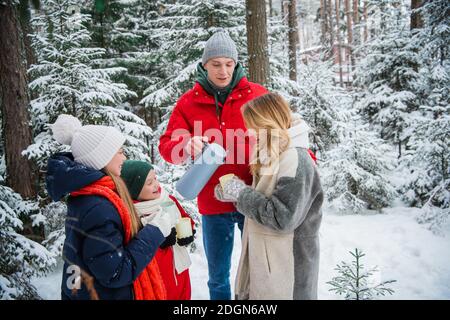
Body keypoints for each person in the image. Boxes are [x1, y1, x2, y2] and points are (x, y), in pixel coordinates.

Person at [158, 29, 268, 300]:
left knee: (258, 270)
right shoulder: (188, 103)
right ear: (204, 65)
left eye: (229, 64)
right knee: (218, 276)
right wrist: (185, 145)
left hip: (251, 198)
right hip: (213, 204)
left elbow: (286, 133)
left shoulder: (257, 95)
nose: (223, 70)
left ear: (236, 64)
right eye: (216, 64)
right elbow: (166, 146)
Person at [46, 114, 173, 300]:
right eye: (119, 151)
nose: (125, 156)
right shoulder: (98, 206)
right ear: (102, 157)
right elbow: (116, 272)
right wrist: (154, 231)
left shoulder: (92, 196)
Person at [215, 93, 324, 299]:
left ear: (267, 122)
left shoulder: (296, 159)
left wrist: (239, 192)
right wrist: (234, 192)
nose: (249, 132)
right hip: (269, 260)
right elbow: (265, 197)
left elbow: (281, 217)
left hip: (288, 265)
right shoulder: (274, 151)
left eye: (253, 125)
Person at [121, 160, 195, 300]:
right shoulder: (131, 214)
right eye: (149, 183)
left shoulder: (167, 199)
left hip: (180, 273)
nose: (156, 184)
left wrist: (188, 233)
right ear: (134, 189)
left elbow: (185, 219)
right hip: (157, 280)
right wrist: (158, 240)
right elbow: (132, 252)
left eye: (155, 178)